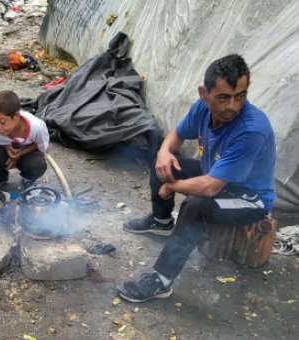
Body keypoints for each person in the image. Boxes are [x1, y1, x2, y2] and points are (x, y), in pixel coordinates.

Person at [117, 54, 276, 302]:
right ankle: (161, 222)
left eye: (240, 96)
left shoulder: (252, 130)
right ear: (205, 93)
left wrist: (172, 187)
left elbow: (210, 188)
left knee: (195, 206)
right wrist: (163, 153)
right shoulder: (201, 108)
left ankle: (162, 280)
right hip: (216, 177)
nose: (232, 106)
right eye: (223, 97)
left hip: (247, 197)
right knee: (166, 162)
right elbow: (175, 136)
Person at [0, 90, 49, 189]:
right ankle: (0, 179)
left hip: (27, 155)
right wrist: (6, 146)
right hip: (6, 154)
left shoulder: (37, 127)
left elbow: (40, 145)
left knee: (37, 165)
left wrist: (18, 155)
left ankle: (29, 179)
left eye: (2, 122)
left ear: (16, 116)